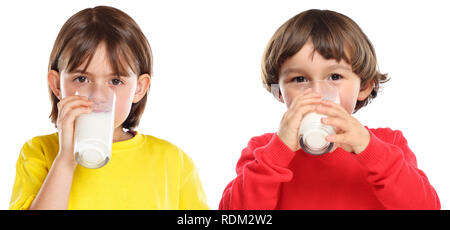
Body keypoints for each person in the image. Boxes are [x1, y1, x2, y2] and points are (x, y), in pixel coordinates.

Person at [219, 9, 440, 209]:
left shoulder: (389, 144)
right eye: (299, 79)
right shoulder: (263, 151)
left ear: (364, 86)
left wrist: (369, 149)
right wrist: (277, 153)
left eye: (334, 76)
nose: (317, 92)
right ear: (279, 92)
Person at [10, 6, 208, 210]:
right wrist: (66, 159)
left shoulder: (174, 162)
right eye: (82, 78)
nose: (98, 95)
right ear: (57, 84)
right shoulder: (39, 152)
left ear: (139, 88)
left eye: (115, 80)